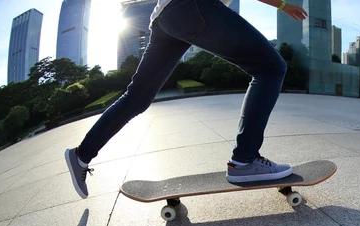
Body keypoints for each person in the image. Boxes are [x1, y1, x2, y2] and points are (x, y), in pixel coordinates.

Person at [65, 0, 308, 199]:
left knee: (137, 97)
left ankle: (81, 155)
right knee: (271, 68)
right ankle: (245, 161)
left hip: (165, 18)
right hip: (193, 8)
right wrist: (282, 4)